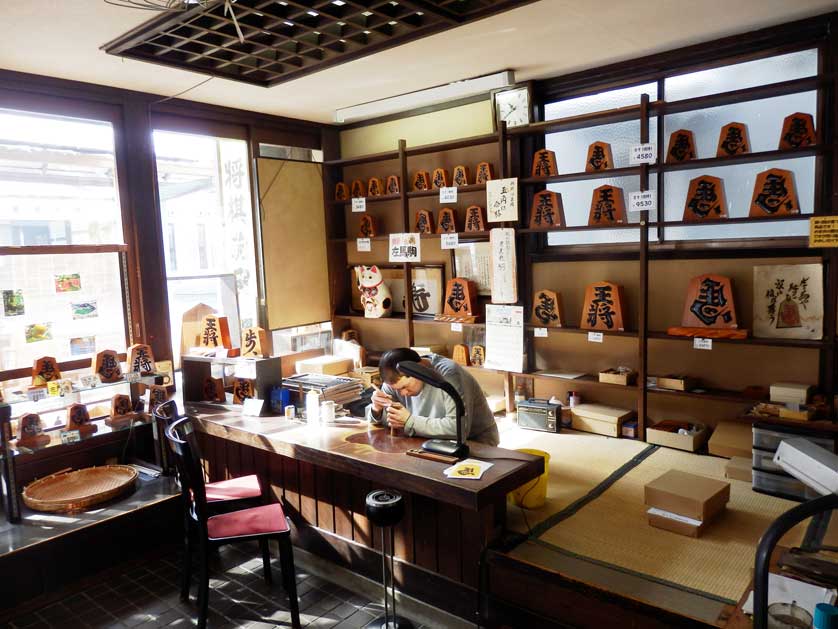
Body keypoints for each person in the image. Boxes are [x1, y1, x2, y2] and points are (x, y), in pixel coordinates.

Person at [365, 348, 500, 446]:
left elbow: (458, 429)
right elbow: (390, 421)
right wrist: (377, 409)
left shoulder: (449, 376)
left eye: (405, 387)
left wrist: (409, 421)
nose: (403, 394)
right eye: (397, 390)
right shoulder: (396, 378)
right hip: (426, 441)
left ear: (418, 368)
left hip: (475, 444)